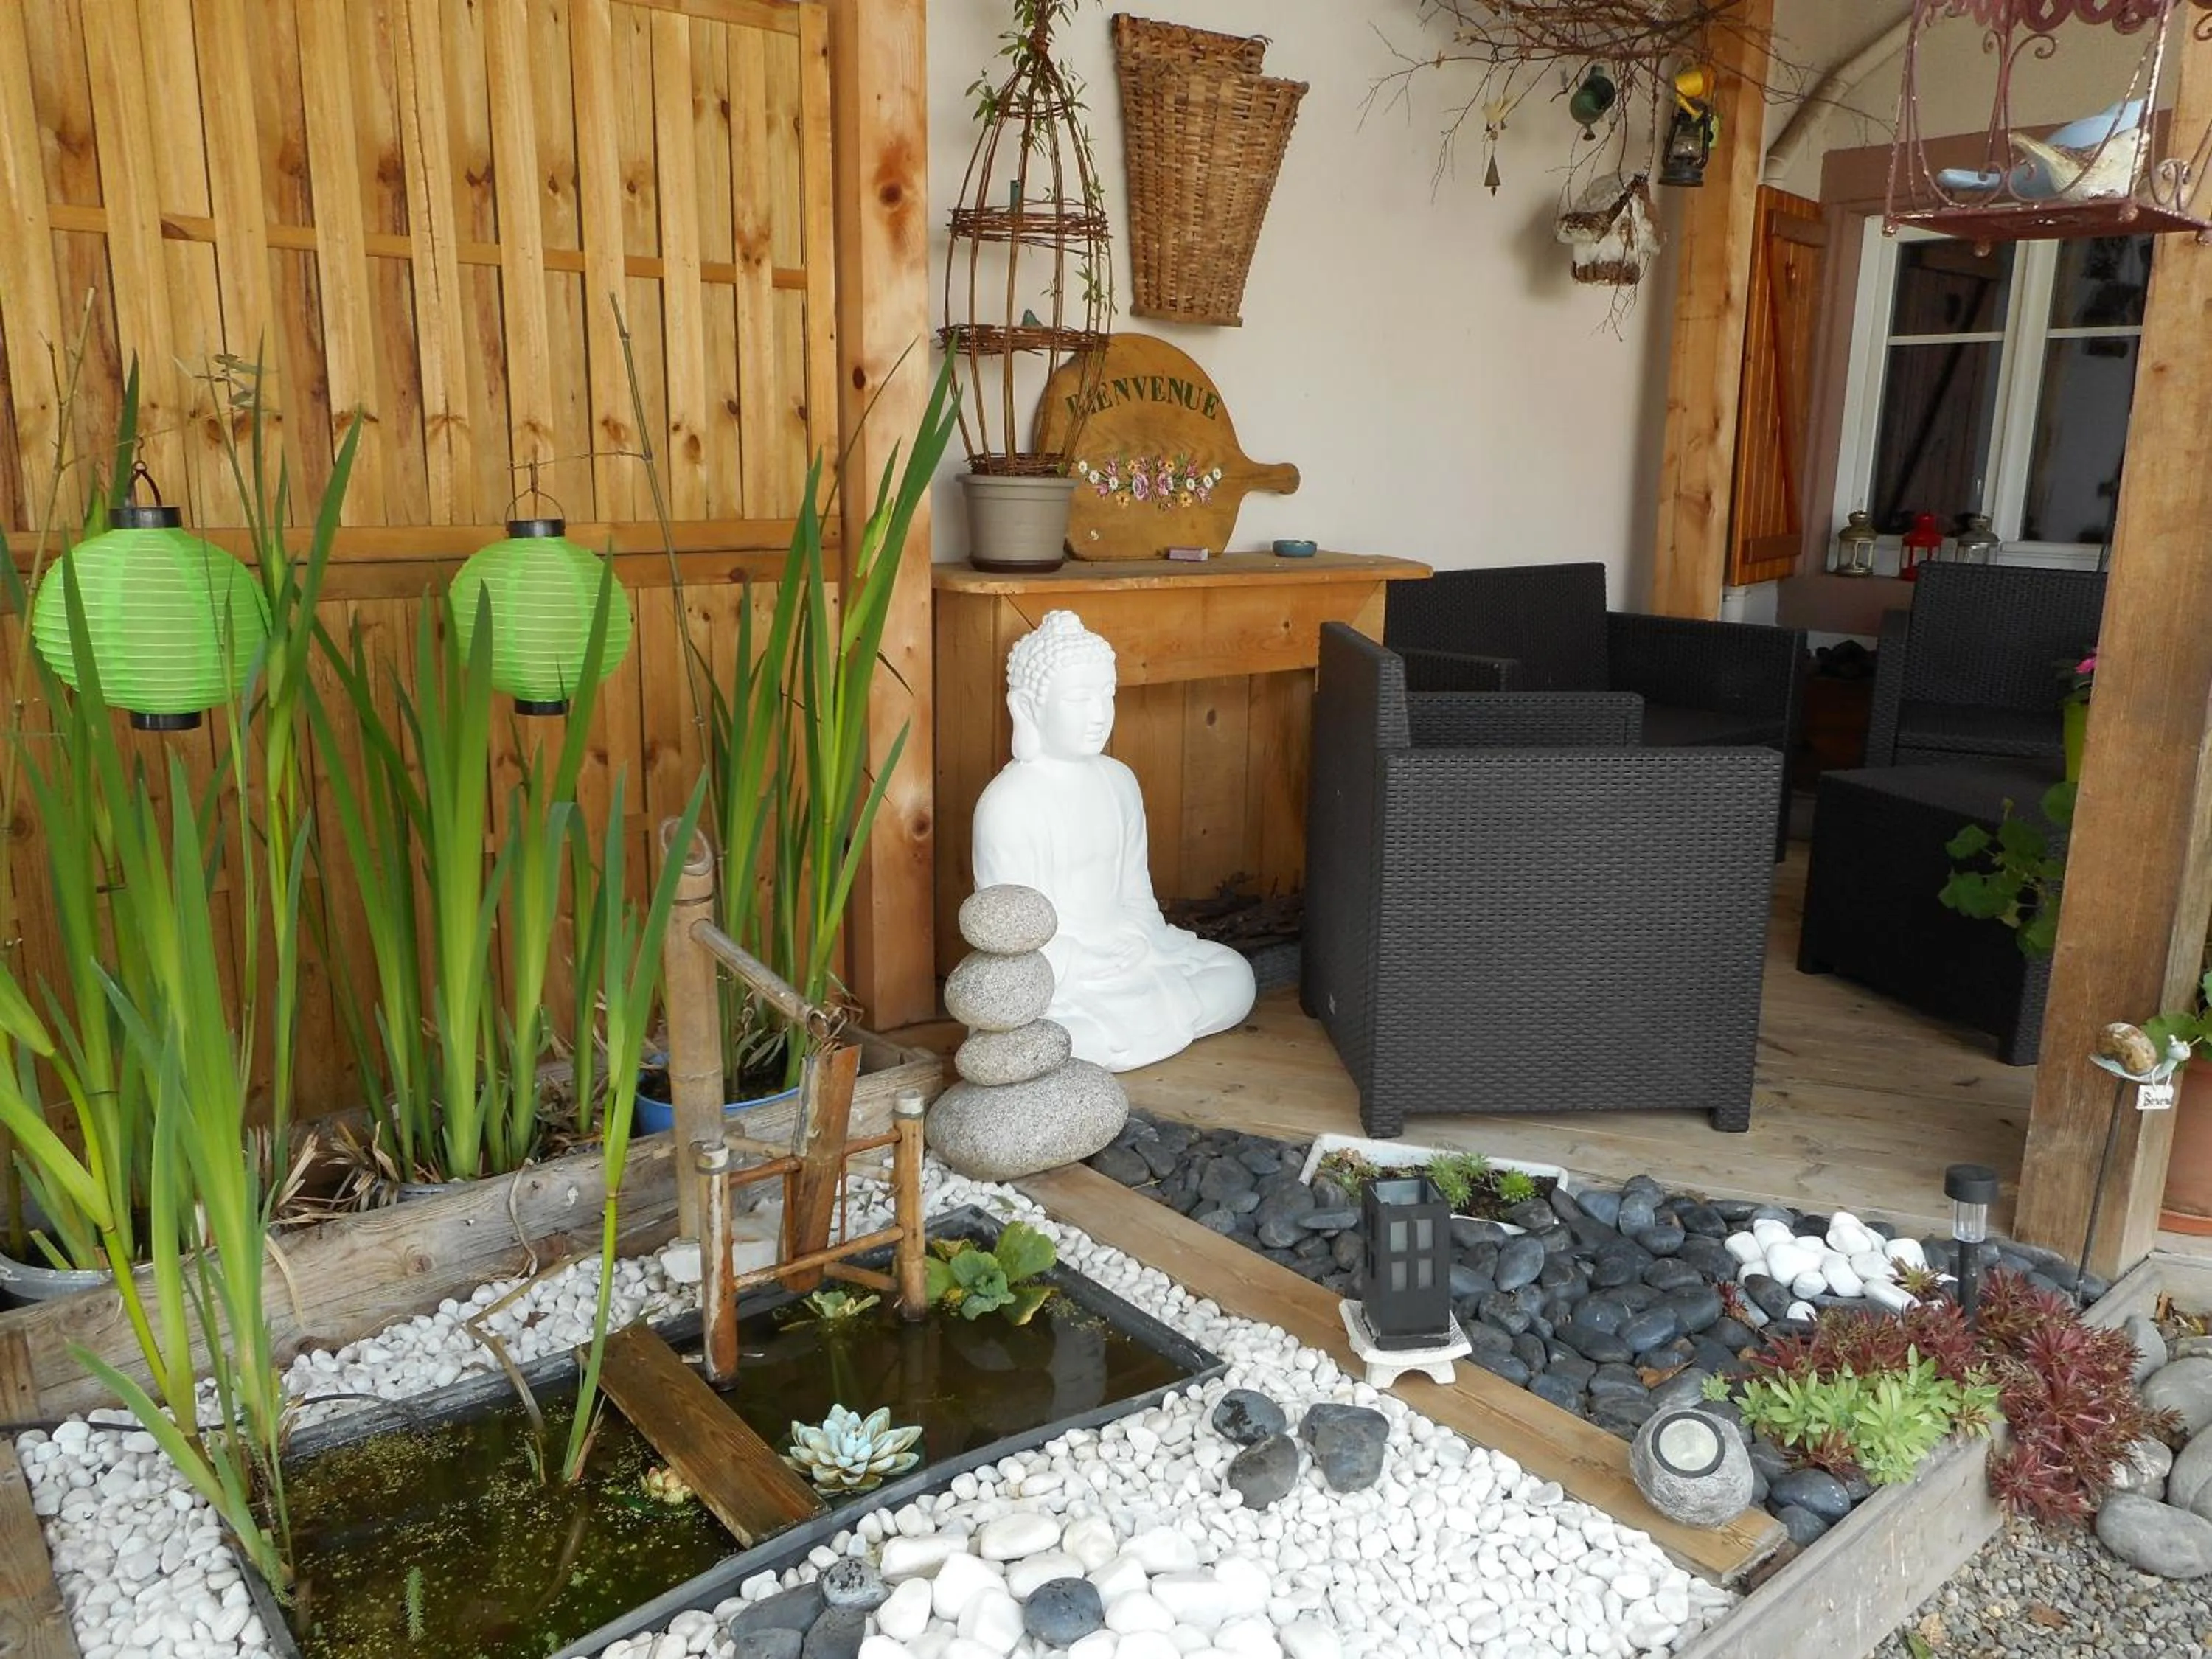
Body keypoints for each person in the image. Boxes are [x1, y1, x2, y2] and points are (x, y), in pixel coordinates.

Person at [972, 609, 1255, 1071]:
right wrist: (1083, 958)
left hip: (1130, 956)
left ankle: (1108, 1035)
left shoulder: (1119, 782)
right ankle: (1077, 1041)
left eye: (1106, 696)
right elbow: (1011, 936)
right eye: (1079, 699)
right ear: (1027, 708)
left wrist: (1138, 938)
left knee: (1235, 978)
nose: (1098, 715)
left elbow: (1136, 895)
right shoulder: (1009, 804)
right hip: (1066, 973)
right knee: (1043, 1025)